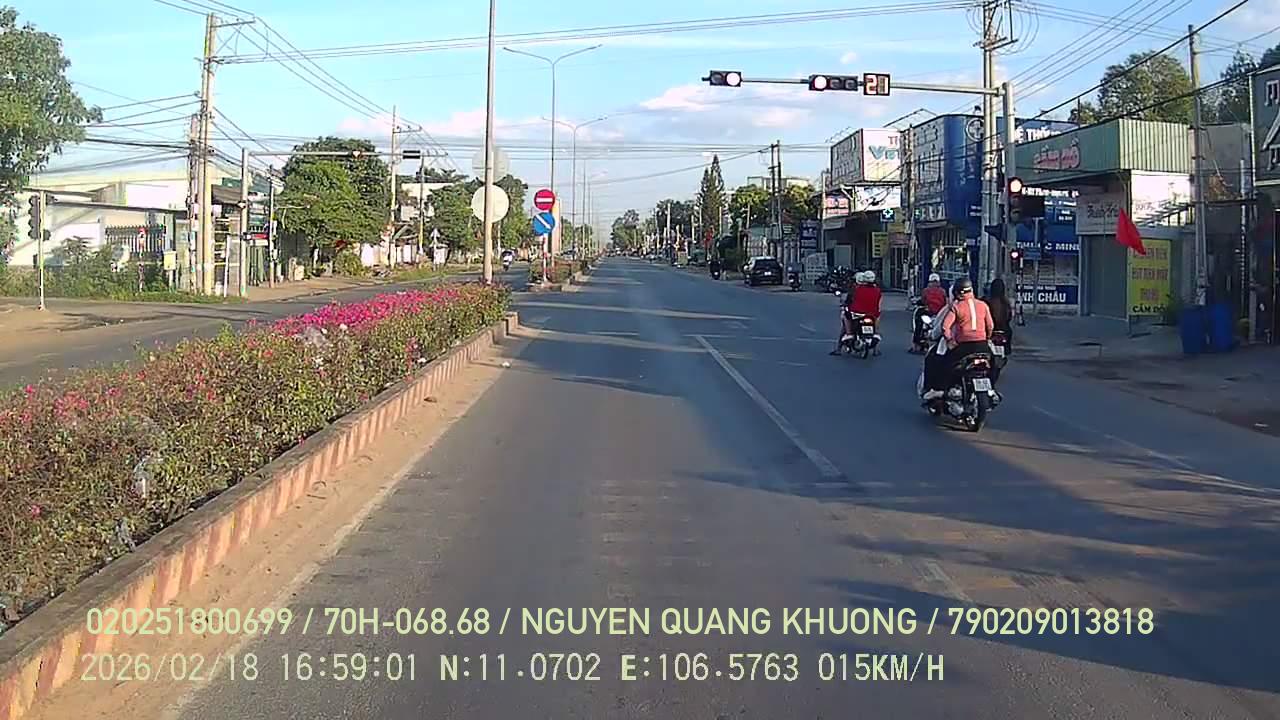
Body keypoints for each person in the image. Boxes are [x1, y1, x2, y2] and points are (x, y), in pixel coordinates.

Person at [922, 278, 992, 399]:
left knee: (945, 365)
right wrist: (987, 338)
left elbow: (945, 327)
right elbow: (990, 326)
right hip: (983, 346)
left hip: (964, 347)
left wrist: (950, 340)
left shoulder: (956, 307)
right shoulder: (983, 305)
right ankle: (991, 390)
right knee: (992, 365)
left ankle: (940, 390)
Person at [831, 271, 882, 355]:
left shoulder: (856, 289)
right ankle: (875, 349)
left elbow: (849, 301)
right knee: (876, 321)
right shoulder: (877, 290)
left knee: (845, 319)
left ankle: (845, 339)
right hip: (872, 314)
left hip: (857, 313)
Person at [985, 277, 1014, 348]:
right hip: (1004, 330)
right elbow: (1009, 317)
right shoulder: (1006, 302)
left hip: (989, 330)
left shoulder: (986, 301)